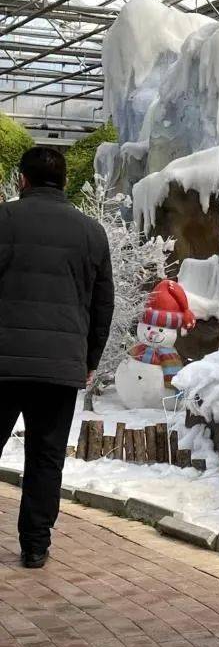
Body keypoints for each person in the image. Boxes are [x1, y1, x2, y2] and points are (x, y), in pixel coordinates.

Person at [0, 146, 114, 569]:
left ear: (22, 180)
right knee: (46, 457)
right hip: (60, 366)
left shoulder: (2, 220)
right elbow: (104, 304)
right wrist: (89, 358)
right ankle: (34, 544)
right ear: (65, 181)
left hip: (3, 365)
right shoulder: (91, 231)